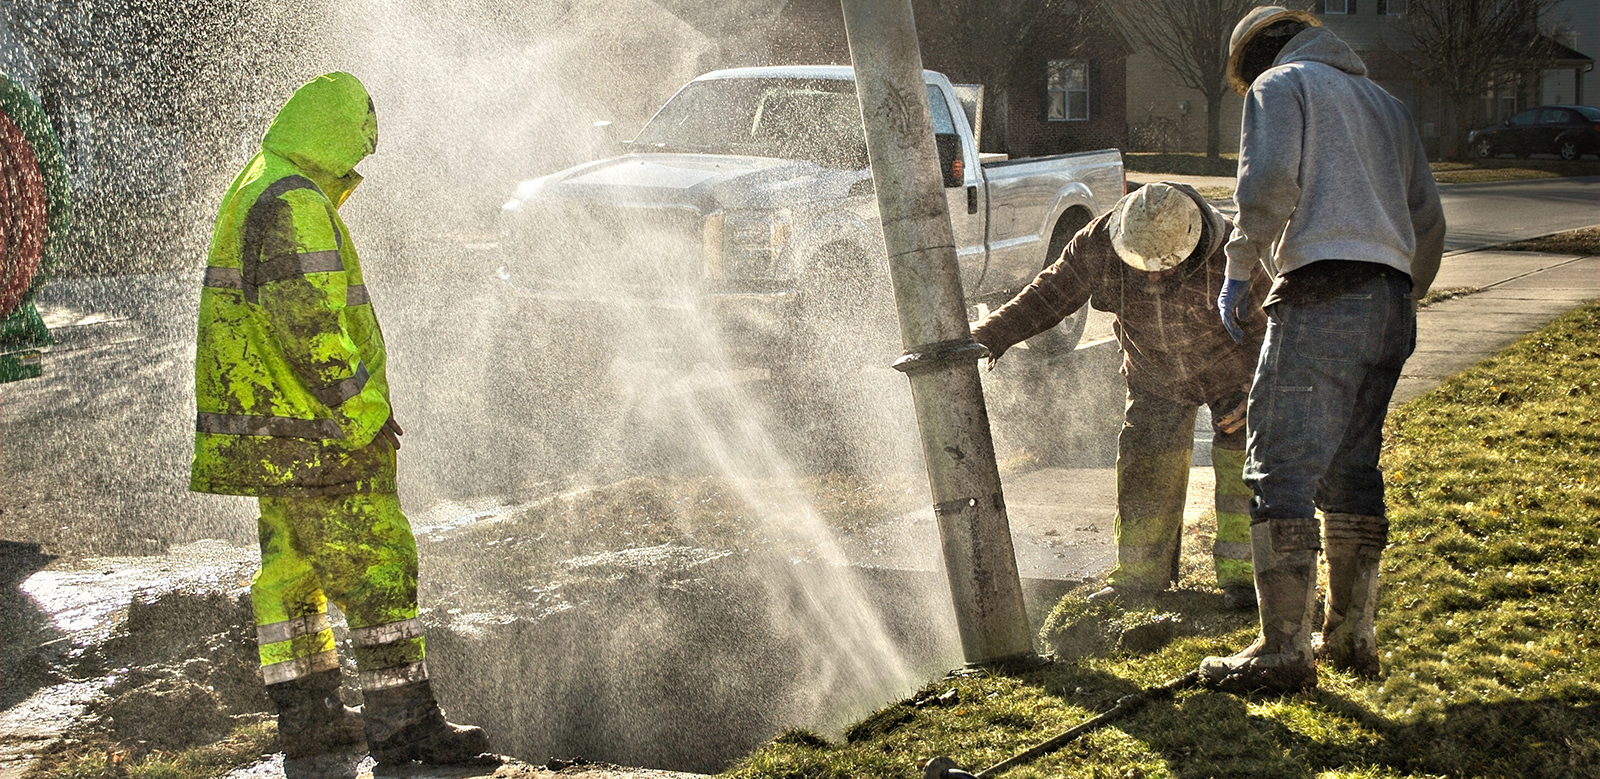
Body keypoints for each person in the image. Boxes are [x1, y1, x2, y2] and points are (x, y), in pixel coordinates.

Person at [190, 72, 493, 775]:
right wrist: (364, 416)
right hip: (321, 432)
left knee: (291, 574)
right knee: (380, 564)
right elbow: (311, 325)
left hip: (274, 433)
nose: (361, 158)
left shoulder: (257, 183)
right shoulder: (294, 200)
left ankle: (312, 719)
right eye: (359, 139)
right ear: (333, 130)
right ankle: (405, 725)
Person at [1202, 7, 1446, 694]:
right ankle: (1350, 637)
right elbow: (1427, 216)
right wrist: (1398, 291)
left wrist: (1240, 270)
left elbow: (1268, 184)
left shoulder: (1282, 87)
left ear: (1257, 60)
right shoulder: (1387, 104)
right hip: (1392, 301)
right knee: (1352, 469)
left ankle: (1281, 649)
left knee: (1277, 463)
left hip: (1323, 291)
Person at [972, 182, 1270, 610]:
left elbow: (1276, 328)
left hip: (1232, 372)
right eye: (1141, 264)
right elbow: (1049, 295)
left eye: (1163, 266)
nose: (1150, 275)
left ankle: (1244, 582)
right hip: (1155, 374)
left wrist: (1255, 391)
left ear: (1190, 243)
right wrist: (989, 336)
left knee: (1242, 468)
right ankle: (1139, 579)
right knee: (1146, 471)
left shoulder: (1235, 255)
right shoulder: (1098, 243)